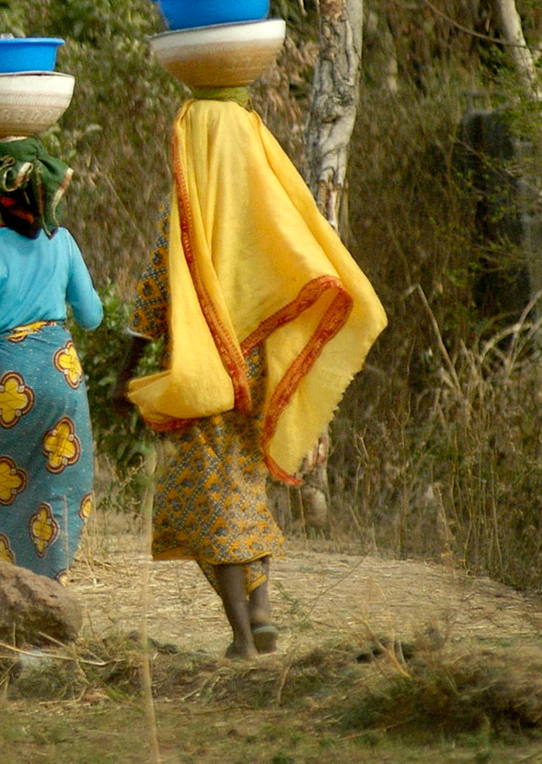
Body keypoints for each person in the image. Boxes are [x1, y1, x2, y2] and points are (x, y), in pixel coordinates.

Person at [112, 89, 386, 659]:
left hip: (204, 374)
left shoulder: (189, 219)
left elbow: (153, 297)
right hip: (259, 369)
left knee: (209, 503)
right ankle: (260, 611)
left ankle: (242, 634)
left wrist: (124, 375)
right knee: (240, 489)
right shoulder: (266, 207)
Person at [0, 139, 103, 579]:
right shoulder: (62, 242)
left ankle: (14, 588)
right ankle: (56, 585)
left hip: (8, 386)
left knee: (7, 491)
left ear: (1, 205)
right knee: (59, 485)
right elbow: (92, 316)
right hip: (62, 376)